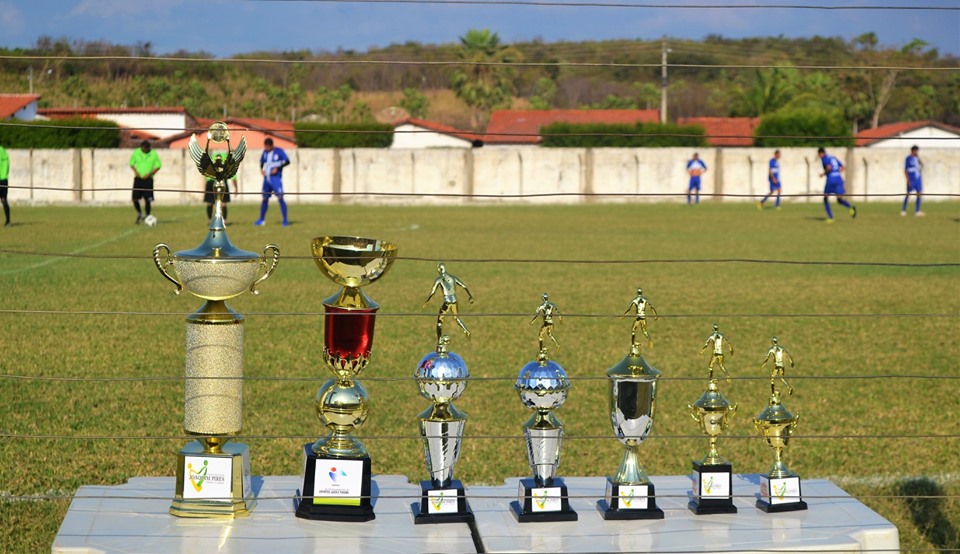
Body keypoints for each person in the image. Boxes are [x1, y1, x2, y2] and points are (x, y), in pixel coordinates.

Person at [423, 262, 475, 343]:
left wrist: (427, 301)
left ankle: (439, 340)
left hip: (447, 302)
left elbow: (433, 291)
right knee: (456, 318)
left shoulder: (439, 279)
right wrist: (470, 296)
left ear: (439, 270)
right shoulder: (453, 278)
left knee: (440, 321)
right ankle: (466, 331)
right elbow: (464, 286)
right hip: (454, 301)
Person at [256, 138, 290, 226]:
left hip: (276, 179)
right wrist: (261, 170)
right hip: (266, 179)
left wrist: (277, 169)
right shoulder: (265, 152)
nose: (266, 148)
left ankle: (285, 221)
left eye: (267, 147)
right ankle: (261, 220)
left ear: (271, 145)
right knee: (265, 198)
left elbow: (287, 161)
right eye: (265, 147)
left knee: (280, 198)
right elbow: (261, 162)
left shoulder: (279, 151)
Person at [817, 147, 856, 223]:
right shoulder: (832, 157)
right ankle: (851, 207)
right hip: (838, 179)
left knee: (825, 198)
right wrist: (837, 172)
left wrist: (823, 174)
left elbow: (829, 167)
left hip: (831, 180)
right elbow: (843, 167)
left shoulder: (824, 159)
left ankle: (831, 218)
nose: (819, 156)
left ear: (821, 153)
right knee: (839, 199)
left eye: (819, 155)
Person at [129, 140, 161, 224]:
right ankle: (140, 213)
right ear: (141, 147)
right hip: (138, 179)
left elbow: (158, 166)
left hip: (148, 180)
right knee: (135, 198)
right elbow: (131, 164)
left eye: (147, 149)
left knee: (148, 200)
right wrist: (136, 172)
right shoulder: (136, 152)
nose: (145, 150)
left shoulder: (153, 154)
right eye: (143, 149)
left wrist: (150, 174)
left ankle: (148, 216)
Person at [203, 153, 238, 223]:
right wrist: (236, 188)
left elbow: (206, 172)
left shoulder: (212, 157)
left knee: (210, 202)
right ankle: (224, 221)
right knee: (223, 203)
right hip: (222, 181)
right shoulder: (228, 160)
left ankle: (210, 220)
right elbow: (233, 176)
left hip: (210, 181)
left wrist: (206, 186)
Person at [902, 145, 924, 217]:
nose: (917, 152)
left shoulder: (917, 158)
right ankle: (903, 210)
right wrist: (908, 180)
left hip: (918, 178)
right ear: (913, 151)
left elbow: (921, 166)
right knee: (908, 194)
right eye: (916, 151)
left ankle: (917, 211)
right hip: (911, 178)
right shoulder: (908, 158)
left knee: (919, 193)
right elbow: (905, 170)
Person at [0, 143, 10, 227]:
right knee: (4, 200)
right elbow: (7, 165)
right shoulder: (3, 150)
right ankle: (8, 221)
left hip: (1, 178)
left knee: (4, 200)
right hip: (4, 179)